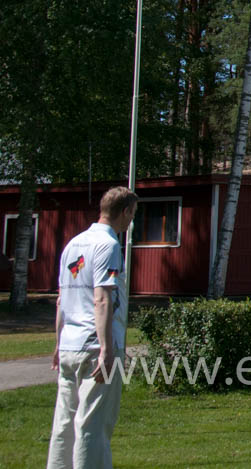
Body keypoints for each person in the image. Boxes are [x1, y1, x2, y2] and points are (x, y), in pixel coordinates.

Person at [47, 185, 138, 469]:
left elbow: (63, 299)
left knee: (64, 422)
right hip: (95, 347)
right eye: (132, 214)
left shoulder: (72, 245)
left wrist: (58, 343)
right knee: (93, 425)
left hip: (70, 346)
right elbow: (102, 298)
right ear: (125, 212)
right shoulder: (109, 246)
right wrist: (107, 349)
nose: (131, 220)